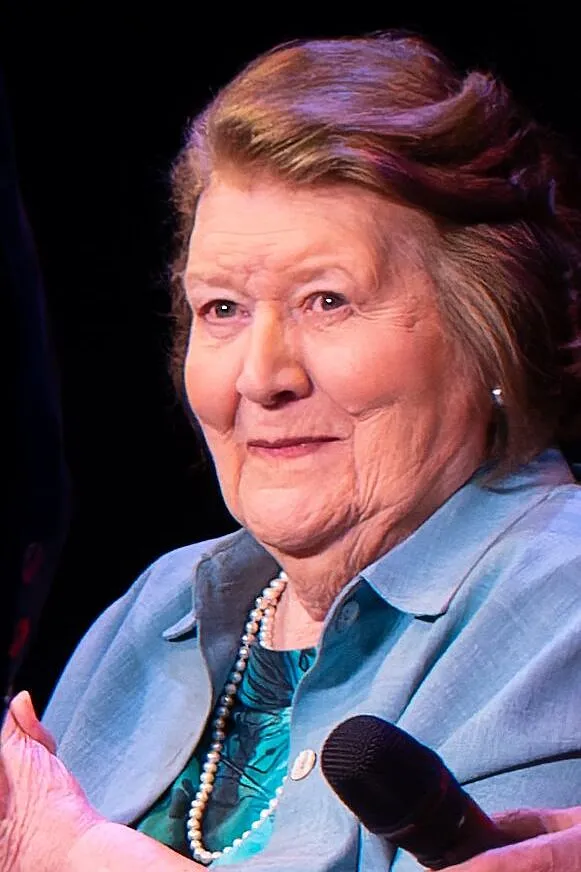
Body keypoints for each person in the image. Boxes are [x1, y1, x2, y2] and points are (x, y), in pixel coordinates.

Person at [3, 29, 581, 872]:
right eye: (223, 310)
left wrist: (69, 854)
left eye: (327, 300)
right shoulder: (157, 608)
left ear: (490, 330)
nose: (261, 376)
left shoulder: (560, 602)